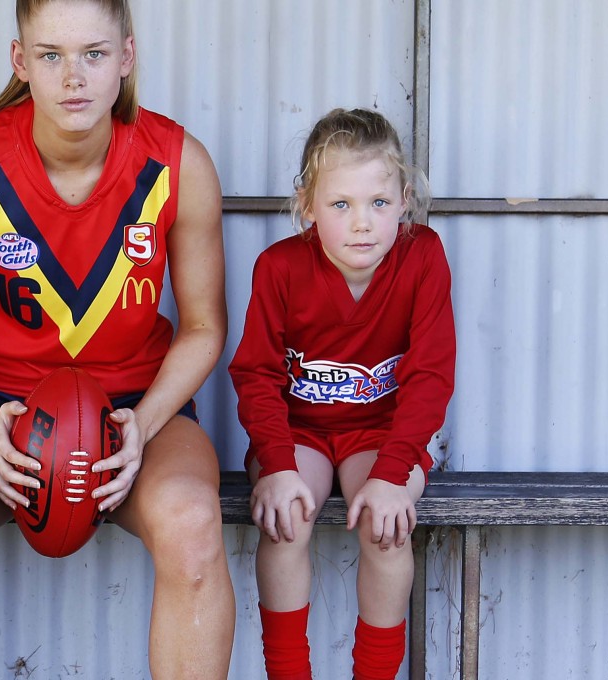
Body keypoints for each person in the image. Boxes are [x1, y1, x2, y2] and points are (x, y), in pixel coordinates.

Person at [0, 0, 234, 676]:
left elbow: (203, 327)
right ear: (21, 62)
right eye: (51, 55)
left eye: (94, 54)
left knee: (192, 522)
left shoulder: (178, 163)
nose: (74, 77)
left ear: (126, 58)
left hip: (134, 400)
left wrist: (143, 424)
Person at [228, 108, 456, 680]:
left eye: (378, 203)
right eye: (341, 205)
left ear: (404, 199)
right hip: (298, 434)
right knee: (287, 518)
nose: (362, 224)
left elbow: (430, 375)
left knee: (387, 528)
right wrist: (276, 466)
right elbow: (256, 375)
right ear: (307, 204)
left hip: (384, 435)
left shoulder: (422, 256)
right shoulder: (279, 267)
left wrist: (391, 475)